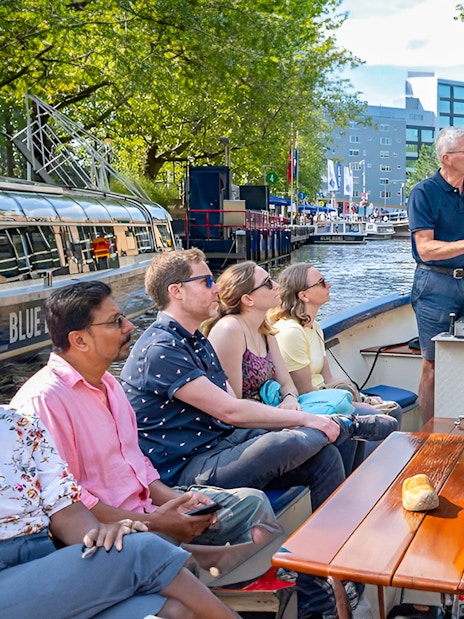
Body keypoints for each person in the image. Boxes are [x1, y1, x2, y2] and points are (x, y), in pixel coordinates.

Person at [121, 248, 394, 619]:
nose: (214, 287)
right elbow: (229, 410)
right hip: (189, 471)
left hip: (224, 445)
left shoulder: (194, 340)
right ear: (176, 291)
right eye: (204, 281)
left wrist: (294, 413)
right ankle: (347, 426)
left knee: (324, 457)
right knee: (294, 438)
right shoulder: (161, 348)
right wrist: (305, 420)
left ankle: (318, 597)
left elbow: (234, 408)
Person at [10, 281, 281, 579]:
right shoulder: (45, 400)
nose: (128, 326)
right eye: (115, 322)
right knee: (171, 547)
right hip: (110, 532)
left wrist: (178, 501)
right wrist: (158, 522)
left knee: (252, 504)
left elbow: (137, 465)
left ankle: (224, 578)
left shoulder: (110, 385)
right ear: (80, 340)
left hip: (147, 510)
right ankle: (208, 577)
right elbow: (69, 504)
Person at [0, 405, 240, 619]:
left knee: (172, 611)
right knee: (145, 549)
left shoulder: (21, 423)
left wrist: (101, 535)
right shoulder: (43, 398)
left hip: (45, 563)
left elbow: (66, 512)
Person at [203, 260, 398, 475]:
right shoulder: (230, 329)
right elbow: (234, 405)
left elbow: (288, 384)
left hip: (276, 413)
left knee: (342, 430)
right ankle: (347, 431)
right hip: (250, 428)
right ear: (248, 299)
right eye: (268, 282)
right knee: (339, 435)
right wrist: (285, 414)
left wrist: (288, 399)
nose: (276, 285)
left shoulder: (265, 331)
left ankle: (353, 489)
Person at [269, 262, 402, 465]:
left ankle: (366, 479)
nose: (328, 285)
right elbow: (304, 391)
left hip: (325, 395)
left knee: (389, 410)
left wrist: (364, 398)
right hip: (311, 403)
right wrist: (354, 403)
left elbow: (328, 378)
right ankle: (360, 481)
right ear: (303, 295)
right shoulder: (291, 332)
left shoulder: (314, 327)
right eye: (321, 282)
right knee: (380, 418)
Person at [408, 125, 464, 425]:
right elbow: (425, 248)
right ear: (447, 157)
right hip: (436, 284)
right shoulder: (424, 193)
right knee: (432, 363)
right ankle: (427, 438)